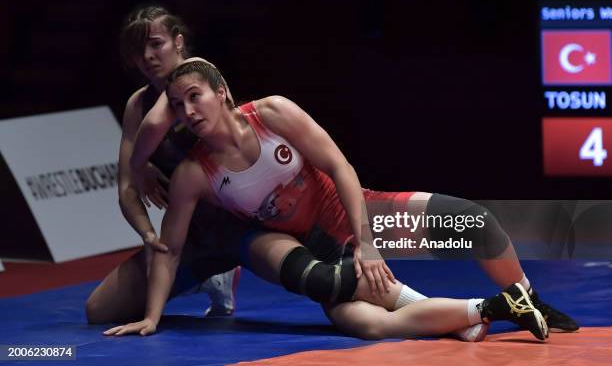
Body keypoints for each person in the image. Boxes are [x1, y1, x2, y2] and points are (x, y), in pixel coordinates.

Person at [103, 60, 577, 340]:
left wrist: (367, 242)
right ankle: (490, 308)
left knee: (473, 223)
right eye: (180, 106)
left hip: (358, 215)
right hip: (315, 249)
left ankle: (530, 298)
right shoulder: (194, 175)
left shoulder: (272, 113)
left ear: (222, 93)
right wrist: (151, 315)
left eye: (195, 97)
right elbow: (172, 247)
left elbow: (339, 167)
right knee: (365, 326)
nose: (188, 111)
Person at [85, 6, 243, 323]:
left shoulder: (204, 74)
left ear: (179, 42)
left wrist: (141, 160)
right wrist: (147, 236)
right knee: (99, 310)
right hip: (187, 235)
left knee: (320, 282)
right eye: (137, 50)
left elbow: (231, 156)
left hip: (240, 225)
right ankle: (204, 276)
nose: (147, 56)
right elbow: (127, 187)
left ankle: (225, 269)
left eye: (156, 44)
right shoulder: (137, 104)